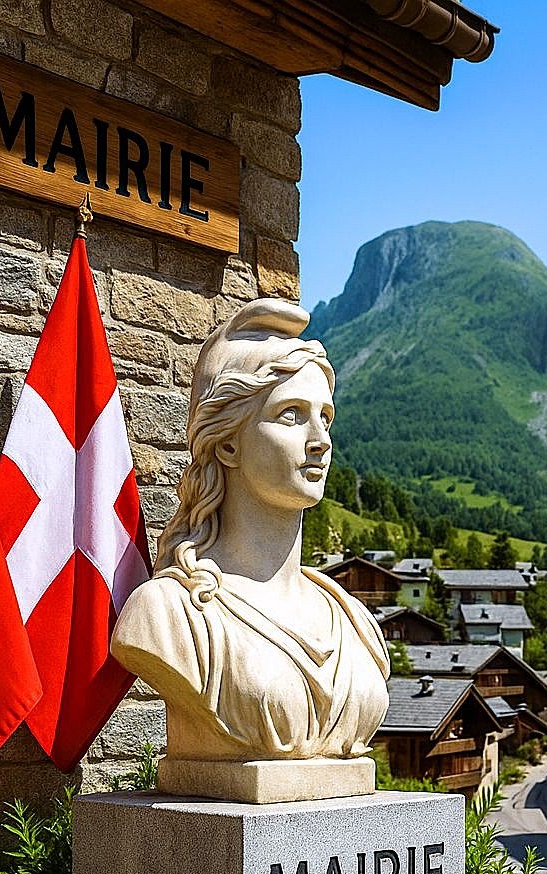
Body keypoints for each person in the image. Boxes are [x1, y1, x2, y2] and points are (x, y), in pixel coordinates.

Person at [110, 298, 389, 761]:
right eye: (291, 415)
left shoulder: (352, 620)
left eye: (326, 417)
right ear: (228, 444)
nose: (320, 441)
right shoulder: (169, 615)